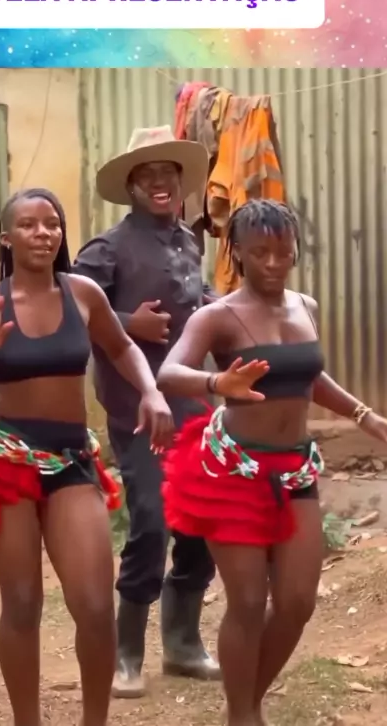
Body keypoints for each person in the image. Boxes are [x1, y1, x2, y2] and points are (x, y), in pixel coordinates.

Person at [0, 187, 174, 726]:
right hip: (5, 461)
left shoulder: (83, 294)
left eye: (52, 223)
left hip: (70, 460)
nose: (43, 233)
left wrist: (151, 391)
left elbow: (122, 347)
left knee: (94, 605)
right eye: (29, 224)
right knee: (22, 603)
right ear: (7, 237)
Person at [156, 198, 387, 726]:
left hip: (294, 469)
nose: (273, 263)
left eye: (283, 252)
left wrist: (364, 414)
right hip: (233, 473)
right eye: (260, 252)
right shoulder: (217, 316)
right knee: (246, 600)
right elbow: (169, 373)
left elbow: (308, 376)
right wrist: (219, 382)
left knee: (297, 601)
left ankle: (248, 702)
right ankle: (243, 715)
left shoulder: (305, 306)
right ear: (236, 252)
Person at [72, 126, 221, 698]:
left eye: (168, 174)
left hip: (193, 404)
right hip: (137, 410)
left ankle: (182, 644)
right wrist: (126, 322)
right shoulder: (107, 249)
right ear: (131, 186)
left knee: (201, 521)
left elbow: (194, 303)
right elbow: (71, 308)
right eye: (147, 175)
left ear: (180, 182)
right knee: (152, 522)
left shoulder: (187, 240)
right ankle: (126, 653)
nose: (159, 183)